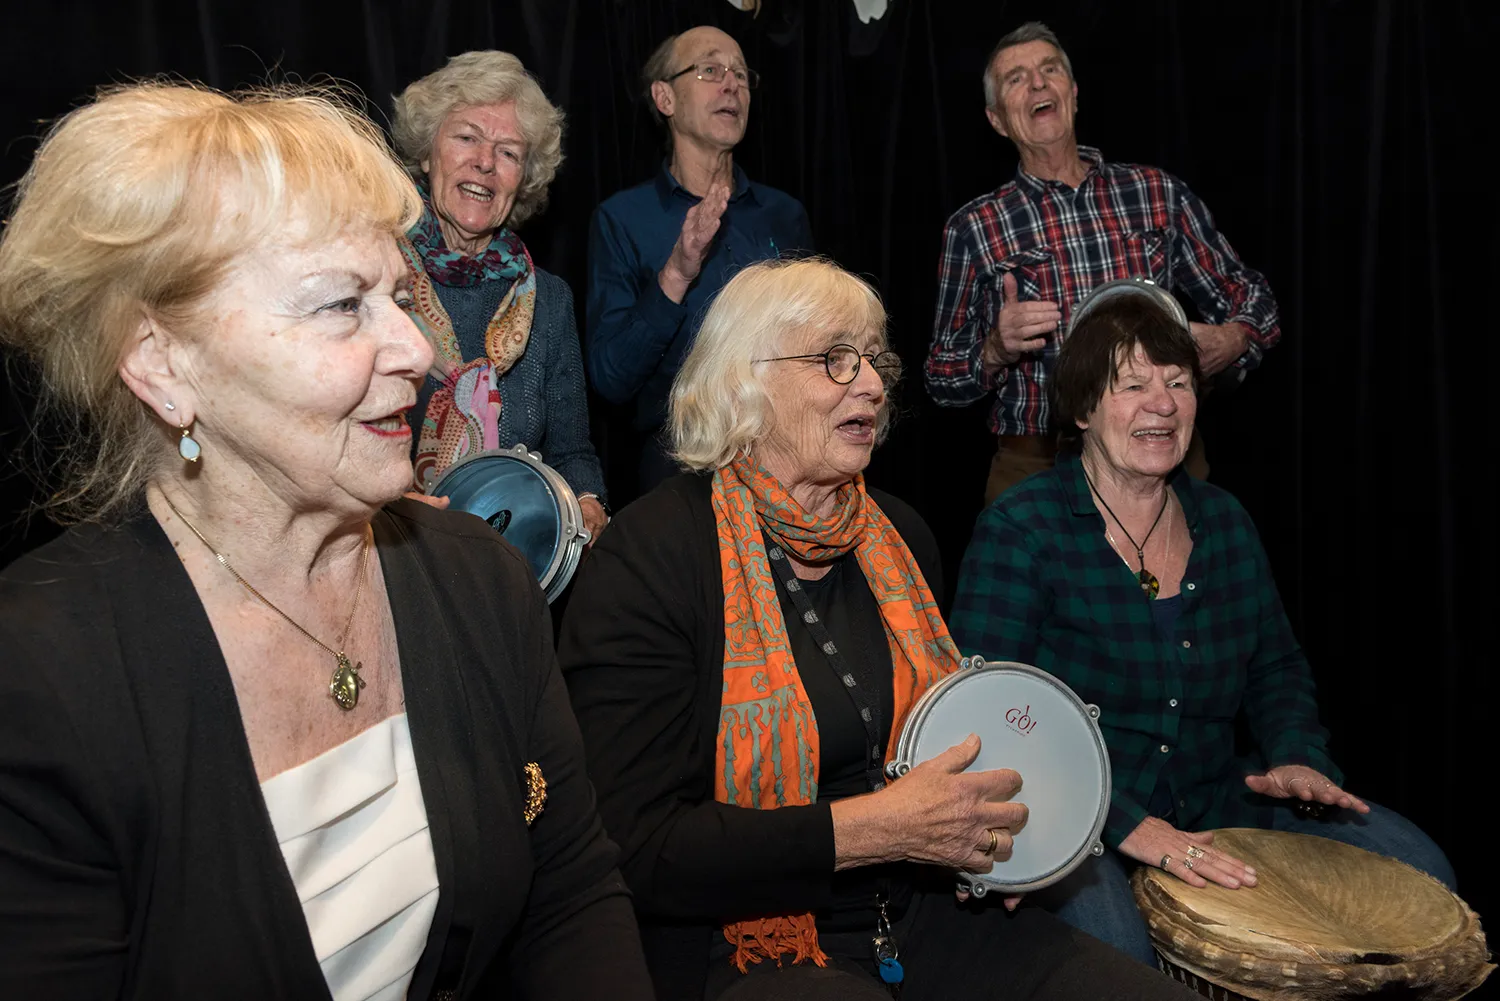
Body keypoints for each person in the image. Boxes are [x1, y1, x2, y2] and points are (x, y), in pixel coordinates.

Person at [0, 82, 652, 1000]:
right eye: (342, 305)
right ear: (161, 363)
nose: (416, 351)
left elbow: (572, 897)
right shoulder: (39, 677)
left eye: (396, 295)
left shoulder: (481, 582)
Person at [559, 258, 1196, 1000]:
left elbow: (956, 749)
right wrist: (872, 829)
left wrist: (997, 840)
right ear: (746, 380)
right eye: (835, 359)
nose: (870, 384)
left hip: (921, 913)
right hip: (745, 944)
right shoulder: (650, 558)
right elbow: (631, 847)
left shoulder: (902, 535)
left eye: (871, 361)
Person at [947, 280, 1455, 965]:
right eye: (1132, 384)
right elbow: (985, 717)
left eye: (1179, 382)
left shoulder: (1224, 521)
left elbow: (1275, 667)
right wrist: (1126, 823)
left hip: (1215, 799)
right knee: (1122, 957)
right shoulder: (1021, 530)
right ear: (1084, 407)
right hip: (1072, 819)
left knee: (1419, 865)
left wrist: (1297, 754)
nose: (1162, 403)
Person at [926, 21, 1280, 506]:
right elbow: (940, 378)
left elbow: (1253, 296)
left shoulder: (1156, 193)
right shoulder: (973, 227)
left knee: (1187, 581)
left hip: (1163, 450)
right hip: (1036, 466)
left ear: (1072, 94)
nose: (1037, 84)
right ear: (997, 120)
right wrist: (994, 349)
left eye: (1049, 70)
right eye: (1016, 78)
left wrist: (1234, 337)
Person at [587, 25, 813, 497]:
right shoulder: (622, 219)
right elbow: (610, 378)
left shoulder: (784, 216)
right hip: (680, 471)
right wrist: (677, 274)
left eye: (740, 75)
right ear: (664, 98)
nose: (731, 84)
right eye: (710, 69)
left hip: (786, 459)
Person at [391, 51, 608, 540]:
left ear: (523, 178)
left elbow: (572, 453)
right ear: (427, 153)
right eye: (467, 137)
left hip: (511, 557)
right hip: (390, 545)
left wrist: (590, 506)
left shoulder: (548, 299)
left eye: (508, 152)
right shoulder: (378, 274)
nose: (485, 163)